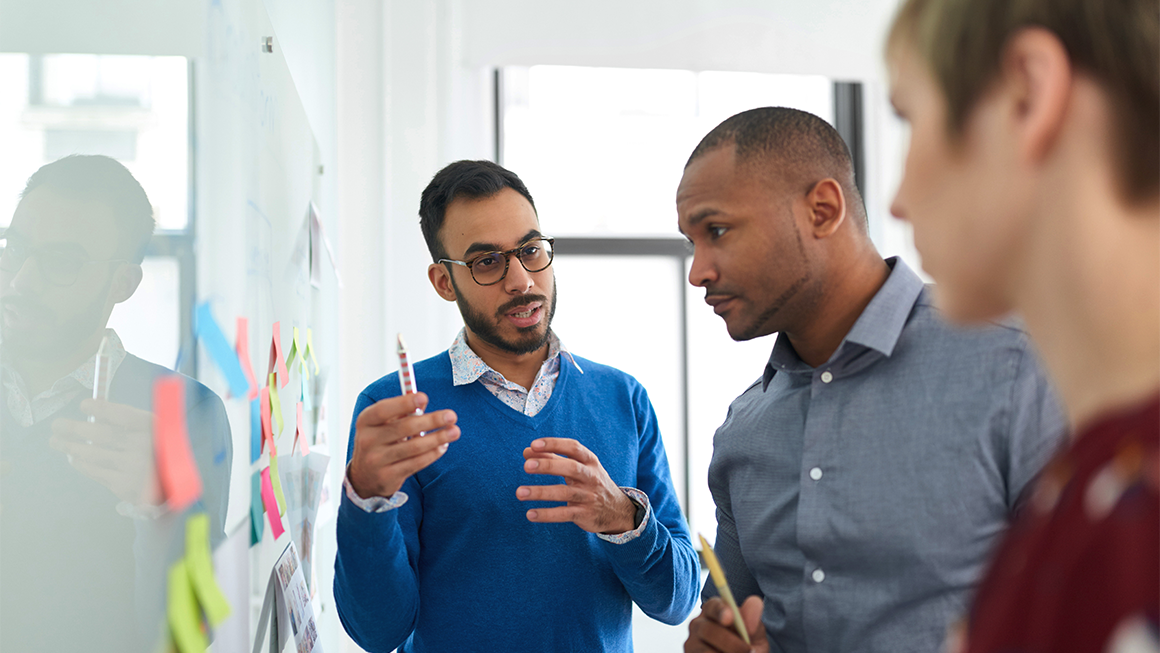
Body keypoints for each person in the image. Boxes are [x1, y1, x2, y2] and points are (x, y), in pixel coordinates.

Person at [676, 108, 1067, 653]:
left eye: (717, 231)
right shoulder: (743, 431)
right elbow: (735, 618)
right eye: (691, 243)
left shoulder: (1017, 366)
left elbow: (1097, 610)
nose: (697, 272)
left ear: (822, 210)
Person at [334, 160, 700, 653]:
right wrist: (366, 499)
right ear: (444, 282)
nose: (522, 281)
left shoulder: (624, 398)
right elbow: (379, 632)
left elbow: (677, 601)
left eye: (531, 251)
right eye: (487, 262)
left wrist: (622, 517)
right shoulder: (395, 410)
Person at [886, 0, 1160, 650]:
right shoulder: (1088, 480)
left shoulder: (1133, 514)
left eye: (909, 117)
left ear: (1026, 96)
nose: (897, 199)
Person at [0, 155, 232, 652]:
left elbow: (190, 634)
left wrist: (163, 505)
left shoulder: (185, 413)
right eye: (14, 249)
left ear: (122, 284)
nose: (20, 280)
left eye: (61, 262)